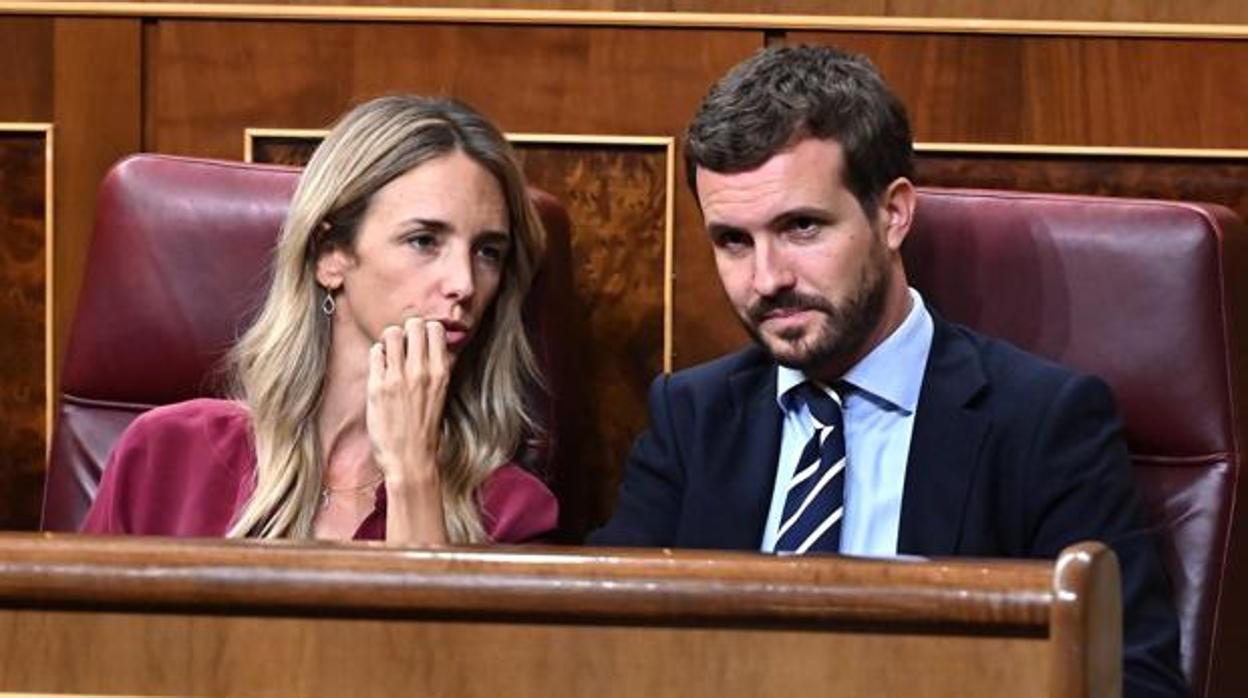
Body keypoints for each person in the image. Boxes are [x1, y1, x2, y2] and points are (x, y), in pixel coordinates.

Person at [589, 46, 1186, 696]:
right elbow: (594, 647)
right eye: (734, 241)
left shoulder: (1042, 423)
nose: (766, 279)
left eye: (802, 227)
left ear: (893, 214)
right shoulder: (691, 418)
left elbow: (1132, 679)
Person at [82, 95, 557, 545]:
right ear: (330, 255)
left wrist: (414, 475)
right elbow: (72, 632)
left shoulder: (513, 511)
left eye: (488, 252)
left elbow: (422, 636)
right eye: (424, 241)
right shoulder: (165, 453)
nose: (464, 283)